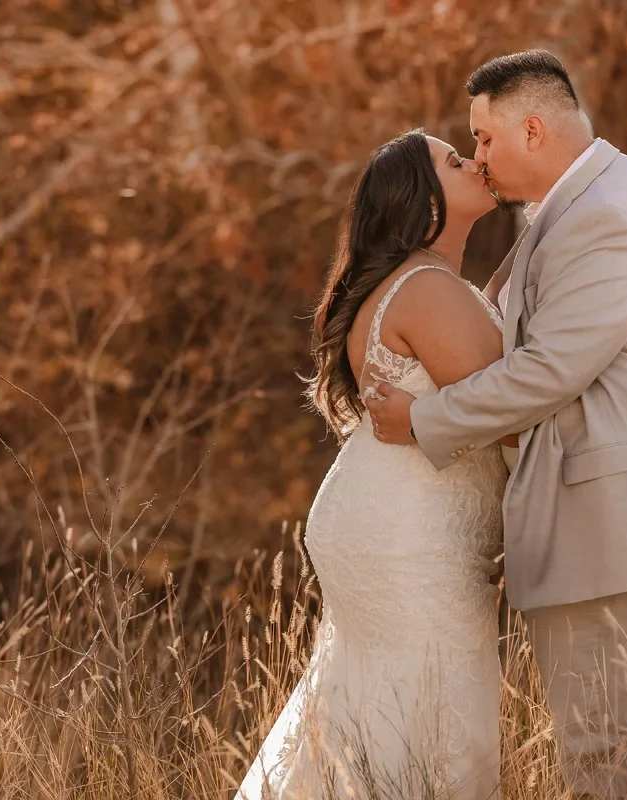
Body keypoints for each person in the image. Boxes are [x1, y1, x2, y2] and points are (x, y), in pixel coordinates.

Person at [366, 50, 627, 798]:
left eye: (486, 140)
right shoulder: (575, 202)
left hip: (606, 509)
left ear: (533, 130)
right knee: (614, 739)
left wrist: (423, 419)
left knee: (605, 745)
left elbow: (548, 371)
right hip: (601, 503)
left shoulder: (605, 217)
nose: (482, 159)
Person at [233, 129, 512, 799]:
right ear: (426, 202)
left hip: (375, 516)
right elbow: (509, 414)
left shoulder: (412, 285)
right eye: (453, 160)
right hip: (411, 535)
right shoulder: (428, 289)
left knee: (368, 712)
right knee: (430, 716)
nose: (474, 161)